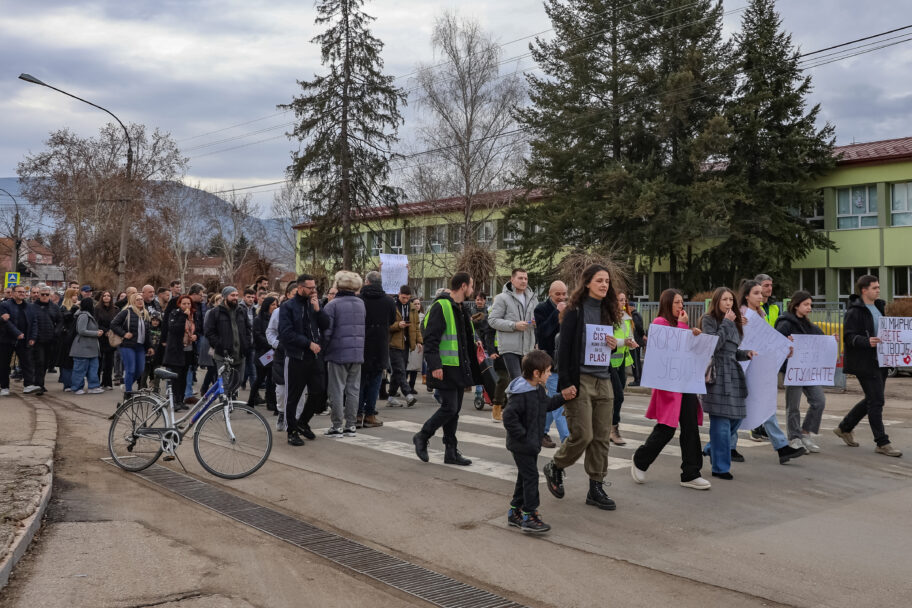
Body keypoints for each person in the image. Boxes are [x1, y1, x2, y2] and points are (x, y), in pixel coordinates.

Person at [542, 264, 620, 511]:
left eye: (607, 281)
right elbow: (563, 349)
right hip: (581, 379)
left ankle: (595, 487)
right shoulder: (575, 311)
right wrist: (565, 384)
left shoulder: (608, 311)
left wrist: (614, 345)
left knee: (600, 438)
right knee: (583, 435)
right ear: (587, 283)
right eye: (599, 280)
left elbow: (608, 345)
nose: (604, 285)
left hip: (604, 380)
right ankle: (556, 465)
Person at [632, 289, 712, 488]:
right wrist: (684, 328)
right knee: (667, 428)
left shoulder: (681, 325)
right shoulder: (660, 323)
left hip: (685, 383)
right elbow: (668, 350)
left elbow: (689, 352)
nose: (681, 306)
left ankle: (691, 472)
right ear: (667, 303)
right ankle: (640, 460)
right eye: (676, 302)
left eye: (681, 303)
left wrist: (695, 336)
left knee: (690, 427)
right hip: (669, 385)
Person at [503, 350, 576, 534]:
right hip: (522, 445)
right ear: (537, 373)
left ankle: (514, 512)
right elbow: (508, 416)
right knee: (531, 478)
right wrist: (523, 435)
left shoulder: (536, 390)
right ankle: (529, 515)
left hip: (530, 444)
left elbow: (547, 405)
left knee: (524, 477)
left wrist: (563, 398)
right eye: (548, 371)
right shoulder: (521, 394)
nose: (550, 374)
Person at [412, 272, 481, 466]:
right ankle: (422, 436)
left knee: (455, 410)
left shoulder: (460, 308)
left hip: (459, 367)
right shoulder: (441, 306)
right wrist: (434, 365)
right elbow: (431, 339)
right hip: (445, 367)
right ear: (463, 286)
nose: (473, 290)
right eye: (472, 285)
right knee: (449, 407)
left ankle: (451, 451)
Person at [738, 280, 806, 464]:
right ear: (746, 296)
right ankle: (717, 447)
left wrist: (784, 346)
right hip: (742, 367)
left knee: (764, 405)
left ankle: (782, 447)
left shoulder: (760, 314)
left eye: (761, 293)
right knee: (737, 411)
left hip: (757, 367)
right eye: (756, 293)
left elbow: (766, 340)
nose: (761, 296)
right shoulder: (741, 315)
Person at [834, 275, 901, 457]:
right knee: (877, 400)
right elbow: (848, 337)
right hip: (865, 362)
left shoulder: (880, 307)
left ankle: (844, 427)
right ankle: (882, 442)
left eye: (878, 287)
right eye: (874, 287)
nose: (878, 290)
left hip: (882, 360)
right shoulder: (854, 312)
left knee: (872, 399)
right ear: (864, 290)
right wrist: (865, 341)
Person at [694, 287, 753, 480]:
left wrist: (746, 354)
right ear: (717, 302)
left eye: (730, 300)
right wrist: (727, 324)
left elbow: (732, 350)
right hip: (717, 374)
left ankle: (712, 448)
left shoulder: (735, 323)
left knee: (737, 418)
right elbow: (713, 346)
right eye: (724, 299)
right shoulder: (709, 320)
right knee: (721, 423)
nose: (728, 303)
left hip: (733, 373)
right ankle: (720, 467)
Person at [775, 291, 827, 453]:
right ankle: (795, 438)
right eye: (806, 304)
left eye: (810, 304)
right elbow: (775, 342)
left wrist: (831, 339)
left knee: (819, 401)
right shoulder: (785, 323)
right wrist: (785, 341)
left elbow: (821, 339)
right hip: (792, 370)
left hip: (808, 370)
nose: (809, 308)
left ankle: (805, 433)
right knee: (793, 406)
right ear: (796, 305)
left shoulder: (809, 325)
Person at [487, 268, 539, 422]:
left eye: (526, 278)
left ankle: (513, 411)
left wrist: (536, 322)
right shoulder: (503, 298)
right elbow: (492, 320)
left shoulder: (532, 298)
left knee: (527, 381)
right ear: (512, 279)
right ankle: (515, 415)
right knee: (517, 380)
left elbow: (537, 318)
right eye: (520, 278)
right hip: (509, 347)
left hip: (528, 347)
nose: (524, 281)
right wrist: (514, 325)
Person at [322, 271, 366, 438]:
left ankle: (337, 425)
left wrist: (323, 349)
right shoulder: (360, 304)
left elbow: (327, 331)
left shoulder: (332, 305)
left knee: (336, 389)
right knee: (353, 390)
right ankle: (351, 425)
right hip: (357, 352)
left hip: (337, 352)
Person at [357, 271, 396, 426]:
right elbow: (392, 320)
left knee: (359, 381)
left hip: (362, 344)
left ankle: (357, 414)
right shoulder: (388, 301)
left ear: (366, 282)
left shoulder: (359, 300)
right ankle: (370, 415)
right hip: (380, 345)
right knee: (375, 381)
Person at [534, 280, 569, 448]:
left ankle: (540, 431)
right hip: (550, 362)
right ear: (550, 293)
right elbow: (543, 334)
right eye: (558, 294)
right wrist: (557, 313)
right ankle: (567, 439)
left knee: (551, 399)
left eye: (564, 294)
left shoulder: (570, 307)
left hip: (566, 360)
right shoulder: (541, 309)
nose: (561, 297)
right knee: (558, 400)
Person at [747, 273, 780, 441]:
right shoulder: (748, 311)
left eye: (770, 285)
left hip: (769, 354)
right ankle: (757, 428)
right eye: (766, 286)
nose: (769, 289)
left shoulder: (773, 308)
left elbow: (776, 330)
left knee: (765, 394)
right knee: (757, 394)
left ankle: (763, 428)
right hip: (754, 354)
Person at [203, 286, 250, 397]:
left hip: (240, 354)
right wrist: (219, 345)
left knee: (238, 380)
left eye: (236, 295)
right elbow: (209, 332)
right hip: (223, 355)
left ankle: (230, 399)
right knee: (225, 384)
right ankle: (224, 406)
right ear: (225, 297)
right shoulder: (215, 312)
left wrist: (247, 343)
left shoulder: (242, 311)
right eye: (232, 295)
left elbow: (248, 329)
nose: (235, 298)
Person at [608, 292, 639, 446]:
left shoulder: (627, 318)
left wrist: (632, 342)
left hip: (622, 362)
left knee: (617, 397)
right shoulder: (609, 318)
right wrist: (624, 342)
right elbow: (610, 340)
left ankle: (610, 428)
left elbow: (630, 336)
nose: (622, 303)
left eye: (624, 300)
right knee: (618, 396)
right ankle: (613, 429)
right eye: (619, 300)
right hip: (610, 362)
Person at [110, 292, 153, 398]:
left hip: (140, 346)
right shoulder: (127, 312)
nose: (140, 301)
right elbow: (113, 324)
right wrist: (124, 334)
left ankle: (126, 384)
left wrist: (150, 346)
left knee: (140, 370)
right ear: (132, 301)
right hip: (127, 345)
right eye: (137, 299)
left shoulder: (145, 314)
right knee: (131, 369)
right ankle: (128, 393)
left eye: (141, 299)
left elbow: (147, 333)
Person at [0, 283, 39, 395]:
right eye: (19, 292)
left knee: (27, 363)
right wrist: (16, 333)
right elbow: (6, 322)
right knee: (4, 364)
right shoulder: (5, 305)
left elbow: (34, 322)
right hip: (6, 339)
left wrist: (33, 337)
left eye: (24, 292)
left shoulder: (29, 306)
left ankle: (28, 385)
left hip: (24, 339)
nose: (22, 294)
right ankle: (4, 387)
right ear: (12, 294)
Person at [163, 295, 198, 411]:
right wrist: (183, 316)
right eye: (184, 304)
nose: (187, 306)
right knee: (176, 377)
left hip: (188, 350)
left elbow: (197, 329)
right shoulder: (175, 313)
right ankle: (175, 401)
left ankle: (181, 400)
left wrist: (195, 336)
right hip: (176, 350)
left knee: (184, 376)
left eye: (189, 304)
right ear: (179, 304)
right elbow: (174, 329)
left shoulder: (193, 316)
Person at [388, 284, 420, 408]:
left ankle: (391, 397)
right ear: (399, 294)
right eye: (403, 297)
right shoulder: (393, 306)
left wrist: (419, 341)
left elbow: (416, 326)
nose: (405, 300)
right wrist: (398, 325)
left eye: (407, 298)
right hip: (393, 343)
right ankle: (408, 394)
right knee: (400, 369)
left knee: (398, 371)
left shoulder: (412, 308)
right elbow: (387, 325)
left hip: (406, 343)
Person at [69, 297, 105, 394]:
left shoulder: (88, 315)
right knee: (80, 369)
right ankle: (76, 387)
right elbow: (81, 330)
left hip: (91, 348)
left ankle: (93, 386)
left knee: (93, 368)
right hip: (82, 348)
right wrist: (96, 333)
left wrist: (97, 332)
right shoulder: (84, 315)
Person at [31, 285, 62, 395]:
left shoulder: (54, 307)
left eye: (47, 294)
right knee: (39, 361)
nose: (44, 296)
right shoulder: (32, 307)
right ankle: (38, 385)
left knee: (45, 363)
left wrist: (56, 332)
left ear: (50, 295)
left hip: (50, 339)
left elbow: (59, 321)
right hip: (37, 340)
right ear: (38, 295)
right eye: (42, 294)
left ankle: (40, 383)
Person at [251, 296, 278, 412]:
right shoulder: (258, 319)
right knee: (260, 378)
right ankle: (250, 401)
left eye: (276, 305)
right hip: (263, 353)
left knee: (272, 380)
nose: (275, 307)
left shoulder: (276, 319)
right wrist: (271, 343)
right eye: (273, 305)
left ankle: (271, 402)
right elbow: (258, 336)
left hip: (273, 353)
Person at [94, 290, 118, 390]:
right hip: (100, 337)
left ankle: (107, 382)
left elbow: (118, 322)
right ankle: (96, 382)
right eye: (104, 296)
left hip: (111, 338)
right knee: (98, 362)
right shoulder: (97, 309)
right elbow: (95, 322)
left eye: (108, 296)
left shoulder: (116, 309)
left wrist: (111, 331)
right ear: (102, 297)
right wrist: (105, 331)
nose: (106, 297)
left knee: (109, 362)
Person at [57, 288, 80, 391]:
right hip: (66, 338)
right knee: (66, 362)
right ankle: (67, 384)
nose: (76, 297)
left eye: (77, 295)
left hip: (75, 338)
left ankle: (73, 383)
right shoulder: (63, 307)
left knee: (74, 362)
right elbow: (66, 317)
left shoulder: (78, 308)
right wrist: (74, 308)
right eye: (74, 295)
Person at [239, 288, 258, 394]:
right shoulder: (240, 309)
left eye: (252, 297)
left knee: (252, 369)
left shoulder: (254, 309)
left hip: (252, 344)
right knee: (242, 369)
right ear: (244, 297)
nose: (251, 299)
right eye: (248, 297)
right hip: (242, 344)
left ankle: (254, 395)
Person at [139, 311, 163, 391]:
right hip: (147, 354)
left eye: (157, 320)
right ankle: (142, 388)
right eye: (153, 320)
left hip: (157, 355)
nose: (155, 322)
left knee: (157, 373)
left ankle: (156, 389)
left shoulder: (161, 330)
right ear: (150, 320)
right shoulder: (147, 329)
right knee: (145, 372)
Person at [406, 297, 424, 393]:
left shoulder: (423, 316)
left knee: (416, 368)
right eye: (415, 304)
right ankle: (404, 386)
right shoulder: (408, 315)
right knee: (408, 366)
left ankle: (411, 386)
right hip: (410, 343)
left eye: (419, 304)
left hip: (419, 343)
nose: (417, 305)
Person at [628, 301, 646, 386]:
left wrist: (642, 335)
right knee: (636, 361)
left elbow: (638, 327)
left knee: (635, 361)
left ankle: (637, 380)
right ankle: (639, 379)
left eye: (628, 306)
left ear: (631, 307)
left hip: (636, 341)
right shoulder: (637, 315)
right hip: (637, 341)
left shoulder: (634, 316)